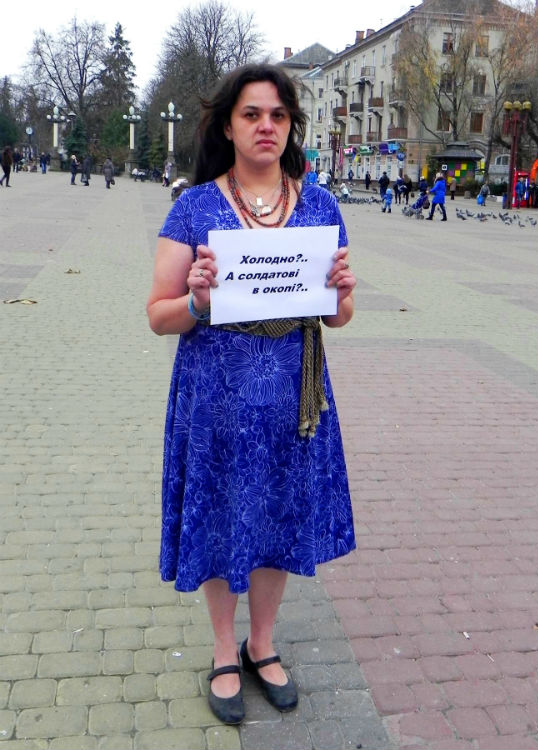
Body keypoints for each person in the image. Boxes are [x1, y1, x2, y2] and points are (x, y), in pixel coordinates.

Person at [146, 63, 356, 727]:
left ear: (291, 127)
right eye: (252, 114)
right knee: (217, 515)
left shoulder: (319, 207)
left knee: (278, 518)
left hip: (292, 397)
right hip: (215, 396)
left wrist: (343, 295)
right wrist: (197, 302)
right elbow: (158, 315)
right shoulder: (195, 208)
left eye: (278, 115)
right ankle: (222, 650)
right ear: (228, 127)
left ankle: (261, 643)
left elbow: (336, 317)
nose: (267, 126)